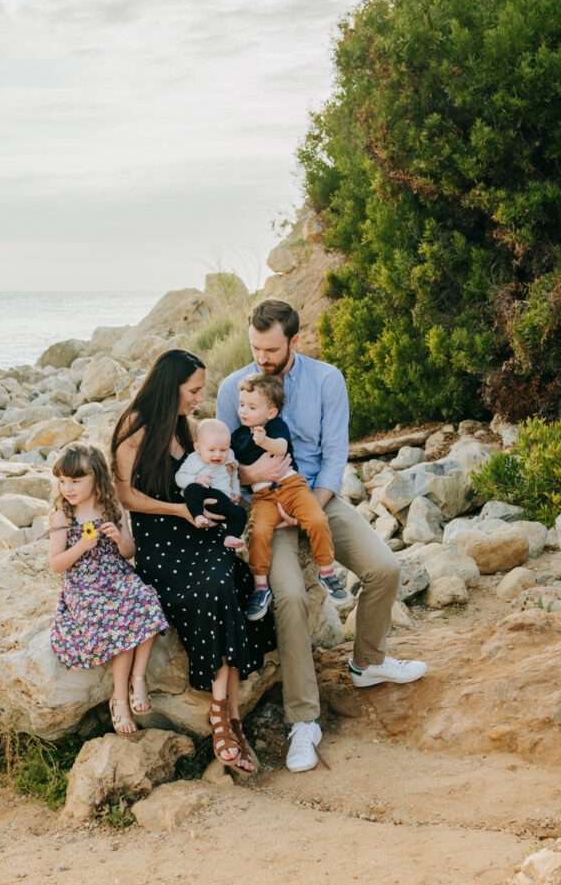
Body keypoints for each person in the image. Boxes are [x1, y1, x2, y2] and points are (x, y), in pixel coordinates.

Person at [217, 298, 427, 773]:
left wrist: (312, 500)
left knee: (385, 568)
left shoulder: (327, 379)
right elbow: (225, 462)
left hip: (320, 497)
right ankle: (304, 721)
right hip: (267, 504)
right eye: (255, 347)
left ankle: (367, 662)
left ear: (295, 340)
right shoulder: (234, 388)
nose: (261, 358)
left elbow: (335, 453)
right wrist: (258, 484)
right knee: (288, 596)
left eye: (271, 349)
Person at [111, 349, 274, 774]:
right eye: (193, 390)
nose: (199, 399)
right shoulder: (134, 427)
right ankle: (229, 719)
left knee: (229, 579)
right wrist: (180, 512)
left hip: (198, 529)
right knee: (212, 587)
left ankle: (223, 712)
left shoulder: (187, 430)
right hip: (160, 538)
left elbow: (214, 471)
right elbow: (126, 497)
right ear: (171, 387)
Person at [48, 442, 168, 735]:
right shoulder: (63, 516)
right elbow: (56, 564)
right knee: (116, 620)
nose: (68, 488)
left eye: (76, 480)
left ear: (97, 478)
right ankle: (118, 698)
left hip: (116, 576)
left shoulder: (112, 509)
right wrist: (80, 546)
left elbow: (128, 551)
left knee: (146, 599)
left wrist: (117, 538)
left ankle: (138, 679)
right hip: (84, 586)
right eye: (63, 481)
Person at [230, 372, 349, 619]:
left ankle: (326, 572)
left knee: (316, 519)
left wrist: (264, 441)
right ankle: (261, 586)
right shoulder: (237, 437)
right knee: (259, 532)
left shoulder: (274, 427)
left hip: (292, 486)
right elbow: (231, 464)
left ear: (271, 412)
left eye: (251, 407)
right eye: (241, 404)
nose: (244, 411)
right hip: (263, 496)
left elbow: (282, 448)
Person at [174, 418, 245, 548]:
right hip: (202, 495)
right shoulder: (194, 459)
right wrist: (195, 479)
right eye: (211, 450)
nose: (218, 455)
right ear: (198, 448)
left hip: (222, 500)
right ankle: (198, 516)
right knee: (192, 489)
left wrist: (235, 490)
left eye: (223, 450)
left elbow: (234, 474)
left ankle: (230, 536)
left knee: (240, 512)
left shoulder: (230, 456)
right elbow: (179, 477)